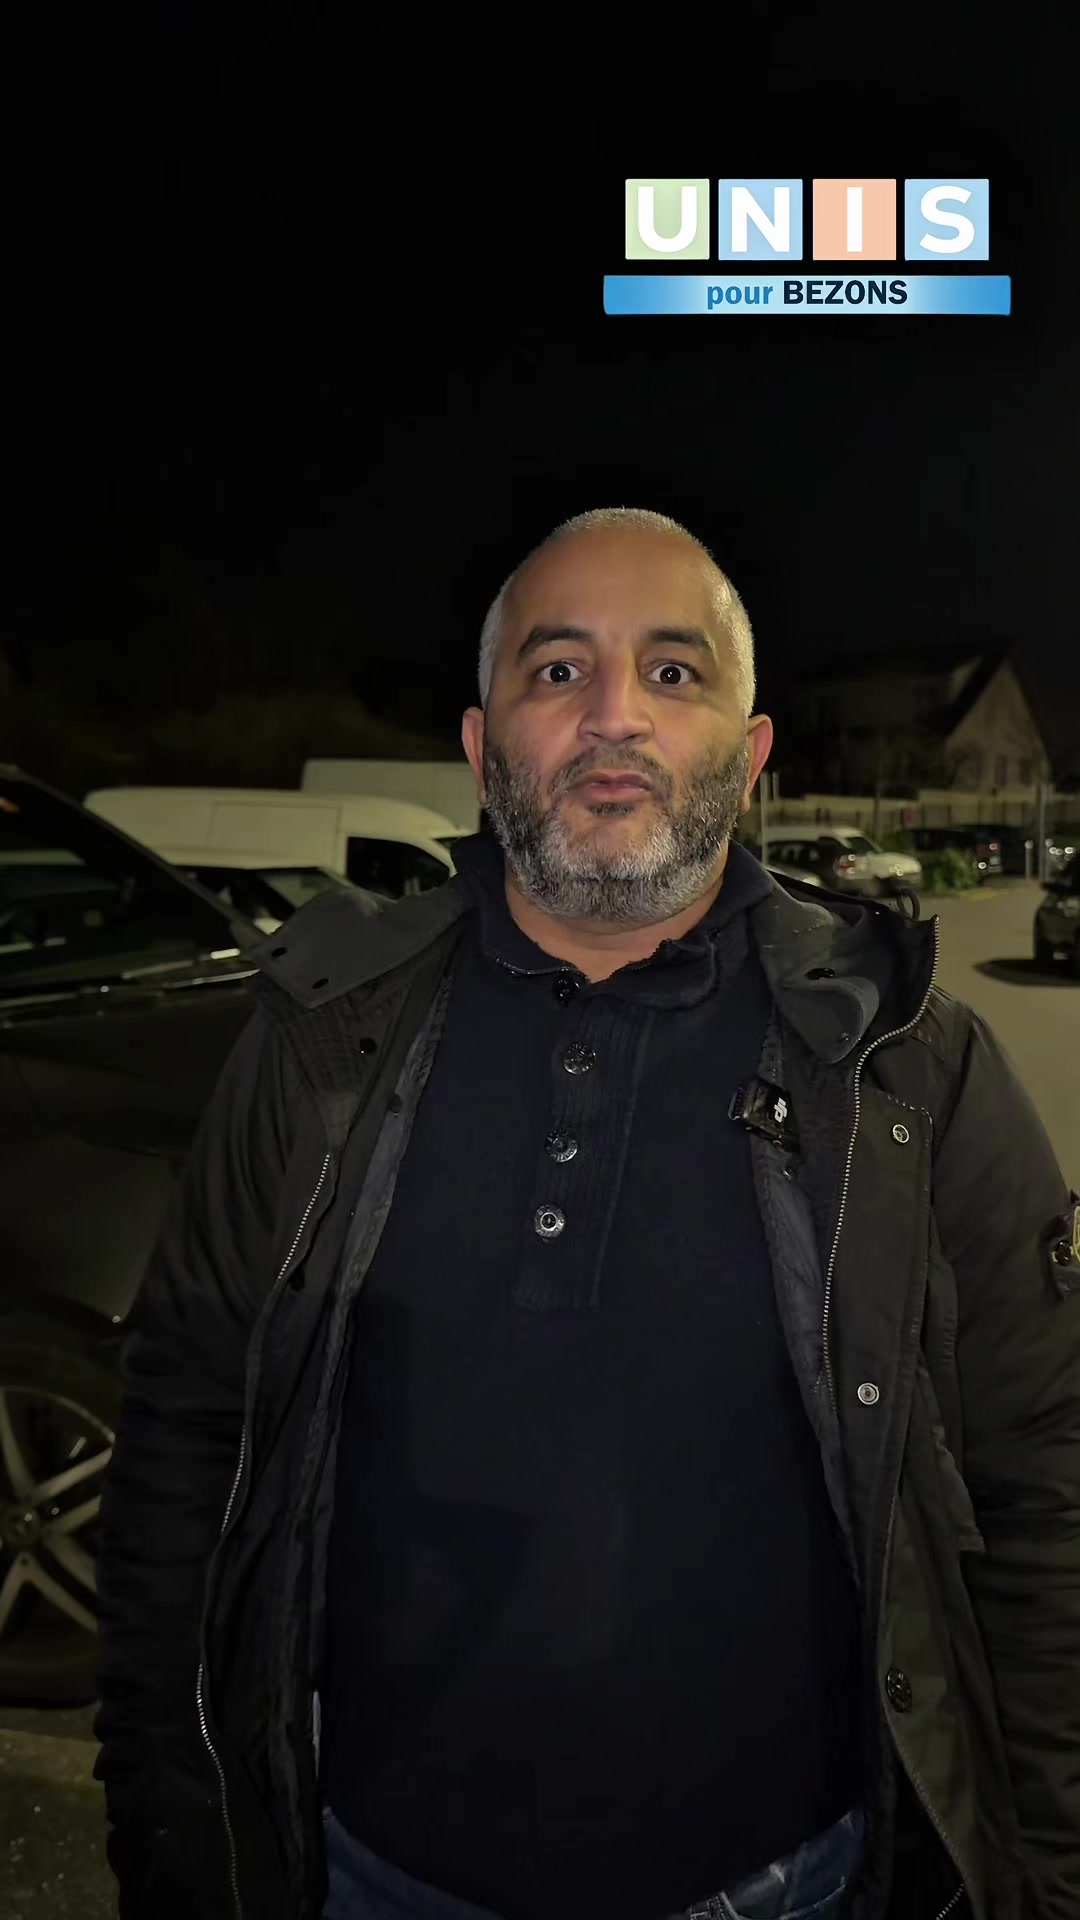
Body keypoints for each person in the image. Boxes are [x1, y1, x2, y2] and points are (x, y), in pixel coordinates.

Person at [94, 508, 1080, 1920]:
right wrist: (168, 1824)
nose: (614, 713)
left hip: (794, 1885)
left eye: (673, 672)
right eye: (557, 670)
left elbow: (1041, 1493)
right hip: (365, 1875)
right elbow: (183, 1448)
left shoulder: (911, 1067)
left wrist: (1044, 1874)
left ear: (751, 752)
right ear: (481, 745)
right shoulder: (316, 1048)